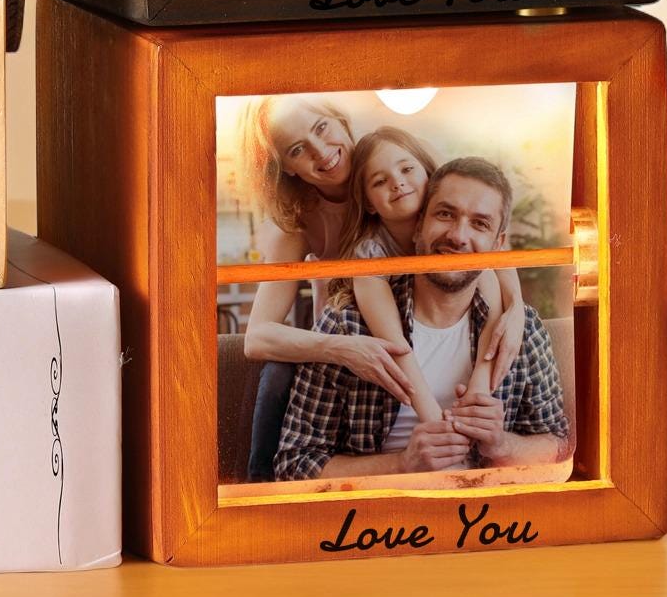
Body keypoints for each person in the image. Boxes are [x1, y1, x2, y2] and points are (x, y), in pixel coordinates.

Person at [273, 157, 570, 482]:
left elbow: (559, 447)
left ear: (498, 245)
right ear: (418, 227)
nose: (458, 236)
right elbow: (294, 465)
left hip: (486, 509)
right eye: (445, 214)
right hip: (383, 511)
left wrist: (501, 445)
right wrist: (402, 464)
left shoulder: (520, 329)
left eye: (480, 224)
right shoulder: (348, 324)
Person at [237, 96, 416, 481]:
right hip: (350, 343)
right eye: (297, 150)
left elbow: (473, 225)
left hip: (412, 332)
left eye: (321, 127)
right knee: (277, 374)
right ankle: (260, 492)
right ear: (286, 168)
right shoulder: (298, 223)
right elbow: (257, 336)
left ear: (340, 119)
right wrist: (342, 348)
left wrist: (515, 303)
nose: (320, 152)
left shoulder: (391, 166)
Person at [341, 128, 525, 435]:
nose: (397, 182)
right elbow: (394, 342)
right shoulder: (370, 253)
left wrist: (516, 310)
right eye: (379, 181)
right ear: (369, 202)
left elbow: (492, 269)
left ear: (427, 174)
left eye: (406, 169)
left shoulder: (457, 231)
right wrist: (433, 419)